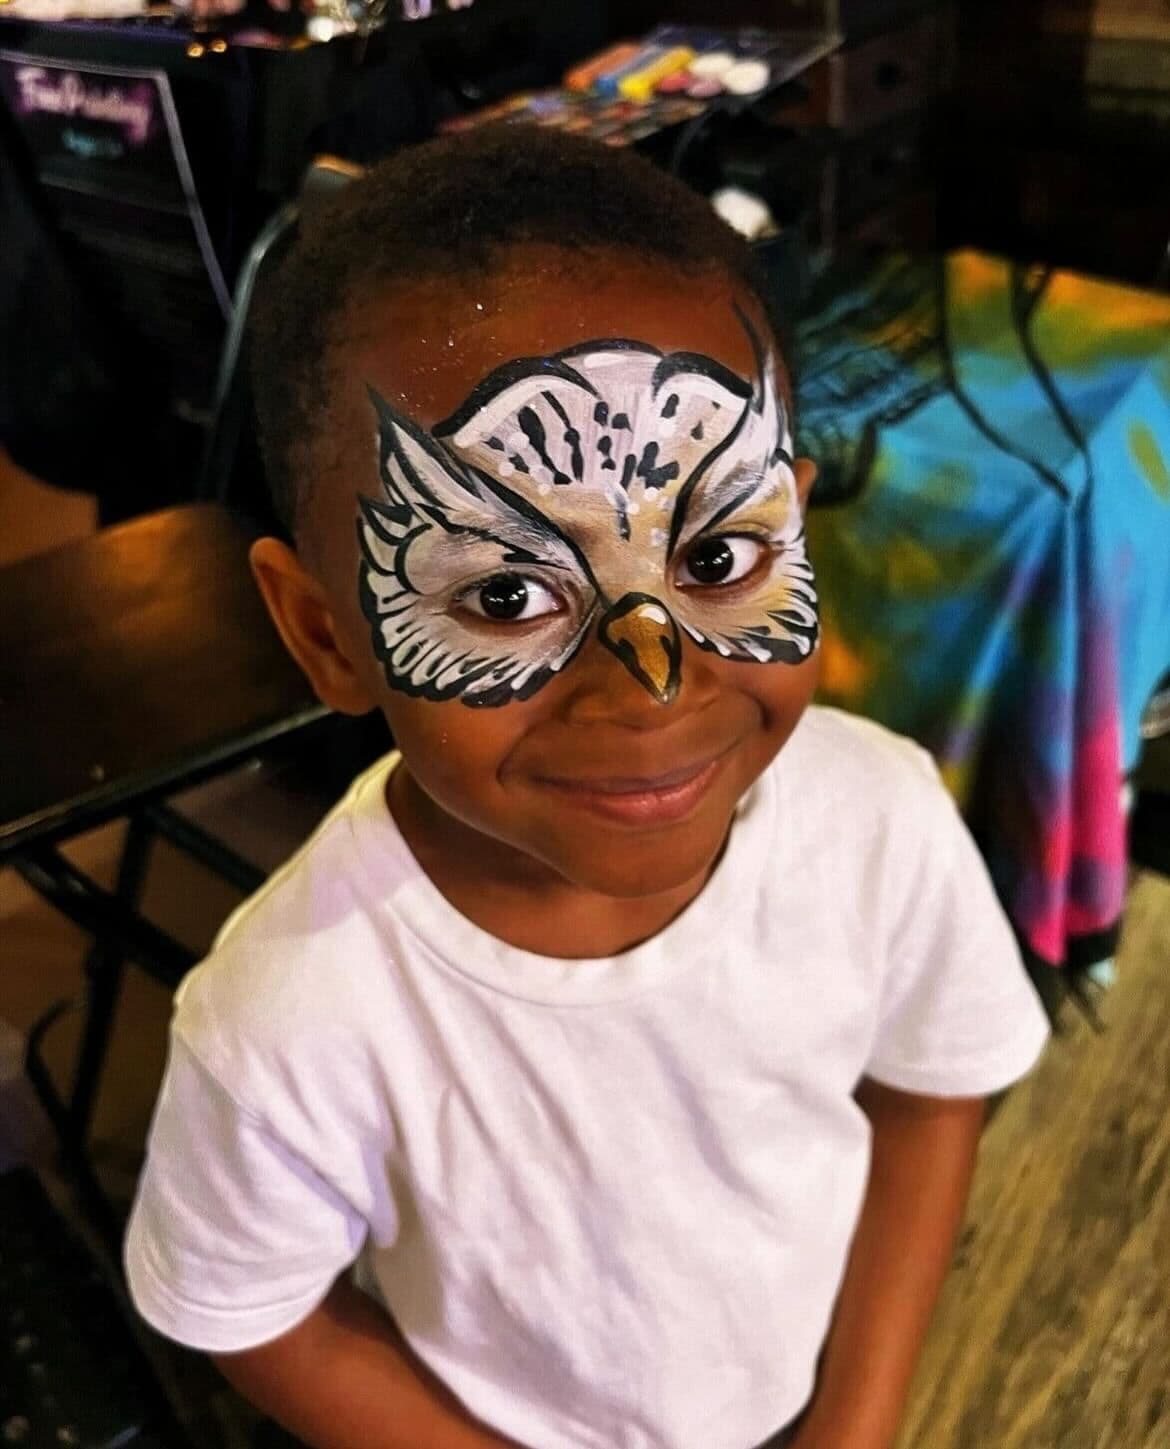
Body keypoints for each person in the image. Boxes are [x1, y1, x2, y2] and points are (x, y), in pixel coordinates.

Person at [124, 128, 1050, 1449]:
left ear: (793, 512)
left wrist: (852, 1426)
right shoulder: (290, 1013)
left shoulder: (878, 821)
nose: (652, 683)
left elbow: (928, 1090)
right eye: (503, 594)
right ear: (326, 632)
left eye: (722, 549)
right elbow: (244, 1304)